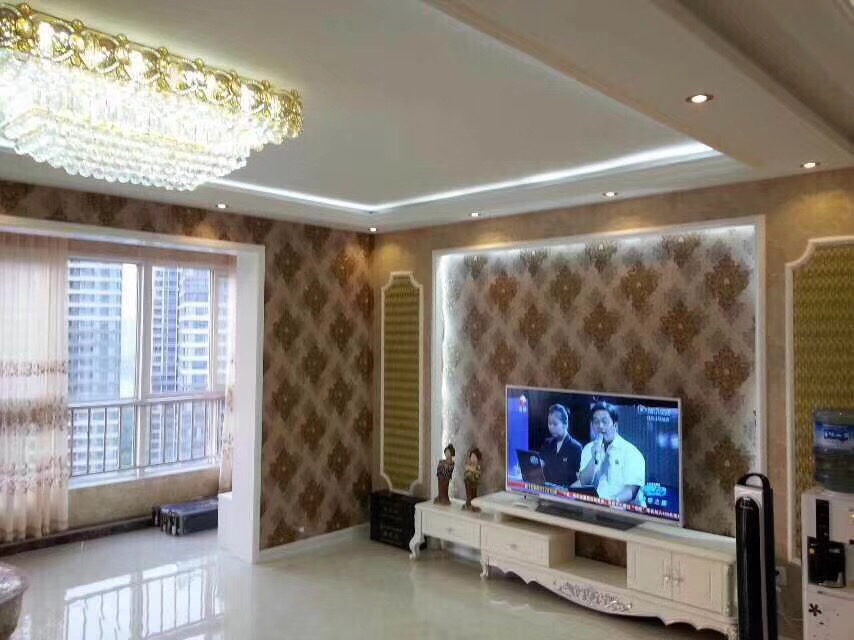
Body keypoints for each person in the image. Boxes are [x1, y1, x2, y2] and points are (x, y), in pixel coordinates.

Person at [574, 401, 645, 503]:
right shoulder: (588, 448)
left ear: (615, 425)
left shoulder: (631, 452)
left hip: (621, 509)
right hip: (594, 506)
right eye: (596, 422)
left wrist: (610, 504)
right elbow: (584, 482)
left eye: (605, 421)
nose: (600, 426)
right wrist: (593, 458)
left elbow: (631, 491)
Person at [538, 404, 582, 488]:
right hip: (548, 491)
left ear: (565, 424)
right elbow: (540, 466)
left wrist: (567, 491)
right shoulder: (547, 444)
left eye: (555, 424)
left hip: (566, 493)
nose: (551, 427)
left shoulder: (576, 448)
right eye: (549, 423)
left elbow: (581, 480)